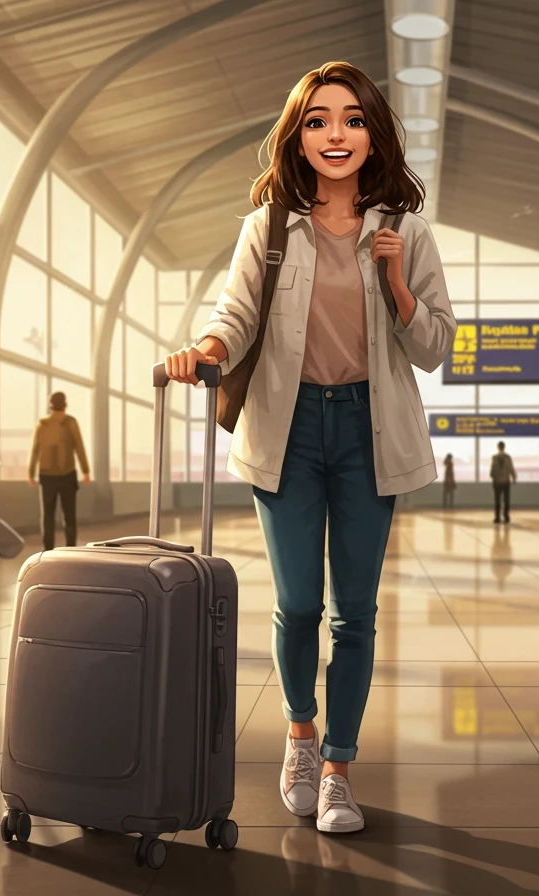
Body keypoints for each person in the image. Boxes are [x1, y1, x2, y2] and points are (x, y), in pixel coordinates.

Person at [163, 62, 454, 835]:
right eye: (319, 120)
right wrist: (206, 348)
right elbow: (235, 316)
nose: (336, 134)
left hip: (370, 431)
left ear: (372, 135)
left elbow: (434, 348)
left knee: (354, 612)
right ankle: (300, 735)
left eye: (352, 119)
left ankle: (338, 769)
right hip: (286, 432)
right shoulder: (269, 229)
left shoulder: (407, 233)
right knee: (298, 603)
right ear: (298, 137)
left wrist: (397, 284)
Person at [28, 391, 90, 550]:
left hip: (46, 475)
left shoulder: (42, 424)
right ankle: (70, 548)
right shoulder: (70, 422)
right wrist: (85, 470)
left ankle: (47, 549)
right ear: (65, 404)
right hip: (67, 474)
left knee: (47, 516)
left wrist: (30, 472)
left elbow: (35, 449)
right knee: (69, 515)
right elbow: (79, 446)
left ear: (50, 405)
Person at [489, 441, 516, 523]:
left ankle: (497, 517)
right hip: (506, 481)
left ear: (498, 447)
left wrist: (494, 477)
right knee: (506, 500)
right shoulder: (507, 457)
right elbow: (511, 468)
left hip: (497, 482)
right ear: (504, 447)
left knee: (497, 500)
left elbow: (492, 471)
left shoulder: (494, 457)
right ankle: (506, 517)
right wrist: (514, 477)